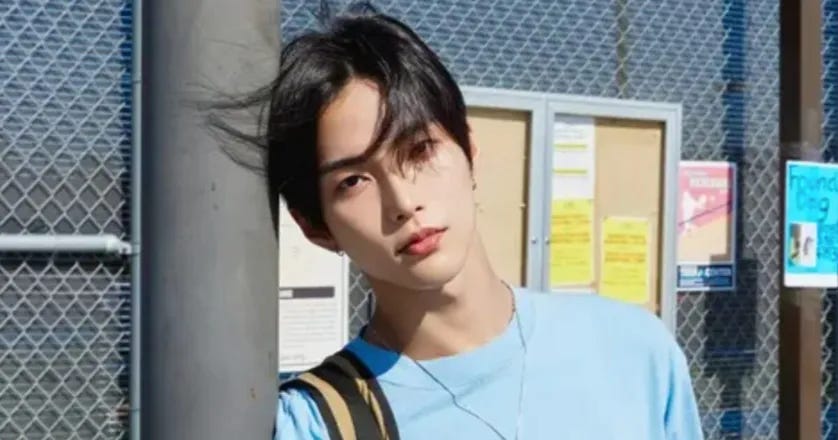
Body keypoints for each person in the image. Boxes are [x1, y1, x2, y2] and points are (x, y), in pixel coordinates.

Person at [227, 6, 703, 439]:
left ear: (469, 149)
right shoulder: (317, 424)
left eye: (419, 149)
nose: (403, 201)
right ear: (315, 226)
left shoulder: (632, 350)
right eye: (353, 181)